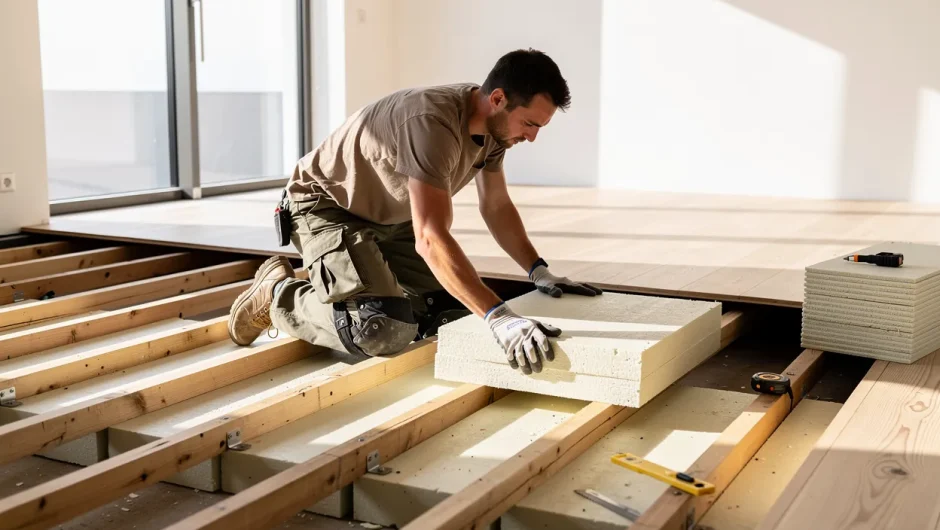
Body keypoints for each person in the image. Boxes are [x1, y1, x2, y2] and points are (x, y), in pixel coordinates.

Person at [227, 48, 602, 375]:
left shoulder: (495, 131)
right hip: (326, 206)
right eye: (530, 124)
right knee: (381, 328)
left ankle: (351, 281)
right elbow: (430, 236)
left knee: (446, 317)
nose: (532, 136)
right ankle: (277, 295)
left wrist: (538, 270)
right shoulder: (431, 123)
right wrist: (499, 316)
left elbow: (496, 205)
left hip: (390, 215)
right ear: (499, 98)